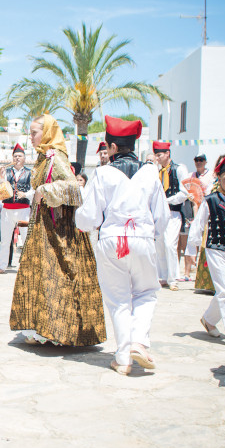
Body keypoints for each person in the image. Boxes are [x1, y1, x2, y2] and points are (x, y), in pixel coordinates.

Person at [76, 116, 167, 374]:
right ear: (134, 144)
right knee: (147, 292)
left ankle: (124, 358)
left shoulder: (102, 172)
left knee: (118, 299)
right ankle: (138, 342)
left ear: (112, 147)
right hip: (142, 237)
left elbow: (89, 217)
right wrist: (150, 234)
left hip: (111, 240)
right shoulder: (151, 171)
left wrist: (80, 221)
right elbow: (161, 216)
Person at [9, 114, 106, 346]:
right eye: (30, 133)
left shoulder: (56, 157)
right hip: (43, 224)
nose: (31, 137)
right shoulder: (43, 158)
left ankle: (60, 330)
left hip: (59, 228)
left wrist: (46, 189)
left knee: (58, 274)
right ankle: (41, 326)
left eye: (34, 132)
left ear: (48, 132)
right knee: (42, 274)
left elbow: (74, 188)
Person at [186, 154, 225, 349]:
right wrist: (193, 249)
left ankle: (209, 320)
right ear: (219, 179)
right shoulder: (211, 200)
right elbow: (199, 224)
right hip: (215, 248)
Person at [153, 141, 189, 291]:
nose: (157, 158)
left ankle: (173, 278)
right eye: (156, 155)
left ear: (167, 154)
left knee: (170, 244)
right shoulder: (158, 172)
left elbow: (185, 193)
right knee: (159, 245)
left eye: (159, 155)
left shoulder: (179, 169)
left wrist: (166, 201)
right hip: (160, 213)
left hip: (173, 212)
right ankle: (163, 276)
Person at [0, 143, 32, 274]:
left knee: (26, 238)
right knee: (5, 239)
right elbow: (0, 187)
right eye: (15, 156)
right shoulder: (7, 172)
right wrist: (1, 177)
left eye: (20, 156)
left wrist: (25, 194)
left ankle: (26, 266)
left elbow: (34, 190)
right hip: (7, 210)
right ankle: (2, 266)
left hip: (24, 210)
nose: (17, 158)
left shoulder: (30, 173)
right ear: (12, 158)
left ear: (24, 158)